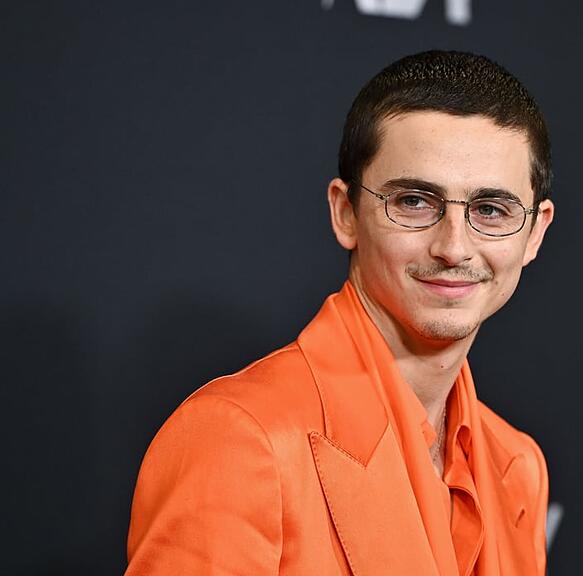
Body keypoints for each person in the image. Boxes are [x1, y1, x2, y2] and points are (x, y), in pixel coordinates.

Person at [125, 49, 555, 576]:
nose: (454, 247)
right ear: (346, 213)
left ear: (535, 233)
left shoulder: (519, 466)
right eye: (414, 201)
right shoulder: (240, 440)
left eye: (490, 210)